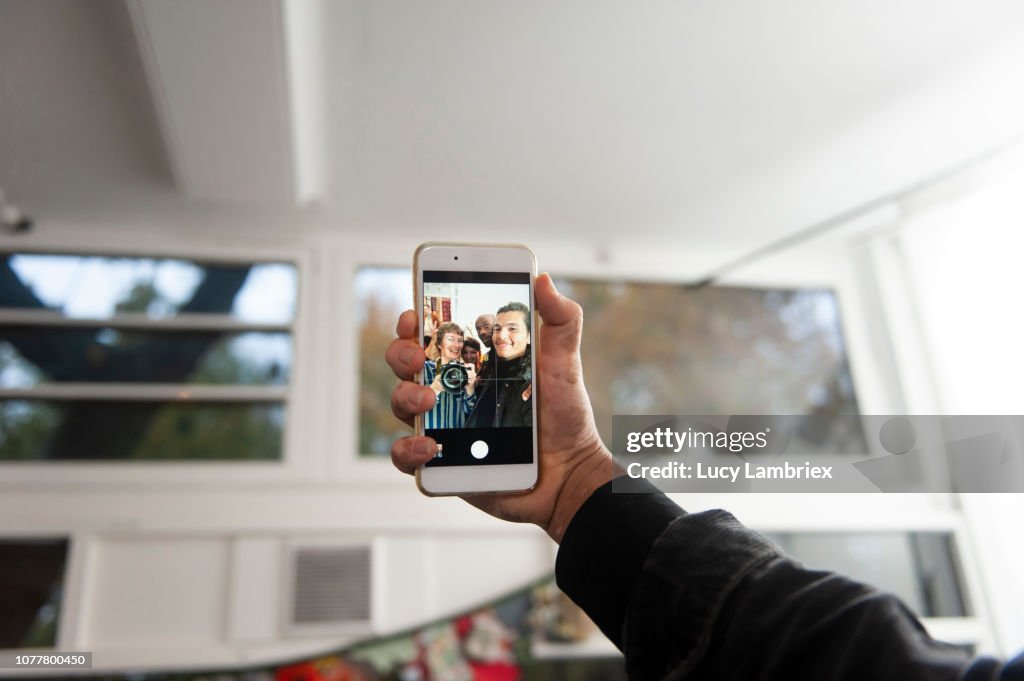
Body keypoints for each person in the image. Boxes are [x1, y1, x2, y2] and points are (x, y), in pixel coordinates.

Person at [385, 274, 1022, 680]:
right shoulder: (477, 374)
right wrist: (576, 483)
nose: (501, 337)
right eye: (497, 330)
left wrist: (580, 488)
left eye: (509, 327)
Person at [465, 302, 532, 429]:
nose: (501, 335)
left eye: (512, 328)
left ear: (529, 335)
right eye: (497, 329)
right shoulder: (493, 368)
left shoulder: (532, 383)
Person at [421, 322, 478, 429]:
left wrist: (470, 389)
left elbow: (472, 414)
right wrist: (433, 390)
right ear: (439, 344)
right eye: (451, 339)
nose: (457, 345)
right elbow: (414, 409)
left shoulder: (464, 372)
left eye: (460, 341)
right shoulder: (423, 370)